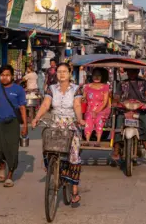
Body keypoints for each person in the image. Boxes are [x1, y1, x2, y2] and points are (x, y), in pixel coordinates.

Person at [31, 63, 84, 205]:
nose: (61, 74)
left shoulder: (76, 89)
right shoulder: (51, 88)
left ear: (70, 73)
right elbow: (46, 105)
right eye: (59, 71)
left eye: (64, 71)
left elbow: (77, 105)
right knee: (49, 148)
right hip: (55, 123)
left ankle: (74, 191)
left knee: (74, 155)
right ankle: (55, 172)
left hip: (71, 124)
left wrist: (79, 119)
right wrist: (37, 118)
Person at [0, 65, 28, 188]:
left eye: (7, 75)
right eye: (2, 75)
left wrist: (25, 125)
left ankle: (10, 176)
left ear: (12, 76)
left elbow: (22, 108)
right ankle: (1, 165)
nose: (5, 77)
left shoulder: (18, 89)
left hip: (13, 122)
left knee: (12, 150)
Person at [113, 68, 146, 159]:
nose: (132, 73)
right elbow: (117, 95)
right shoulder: (122, 83)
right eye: (130, 71)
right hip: (124, 109)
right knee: (118, 124)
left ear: (137, 71)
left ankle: (144, 140)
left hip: (139, 109)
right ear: (127, 72)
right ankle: (116, 146)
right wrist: (115, 101)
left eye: (134, 71)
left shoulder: (143, 82)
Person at [83, 68, 110, 147]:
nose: (97, 77)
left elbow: (105, 102)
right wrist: (82, 99)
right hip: (90, 109)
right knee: (88, 119)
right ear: (92, 76)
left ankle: (98, 141)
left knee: (99, 119)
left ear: (102, 77)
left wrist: (97, 111)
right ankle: (87, 140)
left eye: (99, 75)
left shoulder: (105, 87)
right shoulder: (87, 86)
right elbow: (84, 98)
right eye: (95, 75)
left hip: (102, 109)